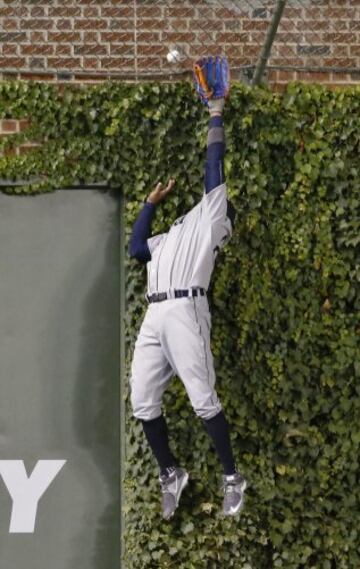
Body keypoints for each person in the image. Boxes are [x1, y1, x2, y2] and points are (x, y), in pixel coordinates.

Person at [128, 61, 247, 520]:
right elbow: (139, 248)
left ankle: (233, 477)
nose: (212, 198)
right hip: (154, 316)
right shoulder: (175, 232)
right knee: (141, 398)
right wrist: (148, 206)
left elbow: (214, 168)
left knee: (203, 400)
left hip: (185, 310)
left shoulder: (212, 224)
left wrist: (216, 114)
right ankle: (170, 472)